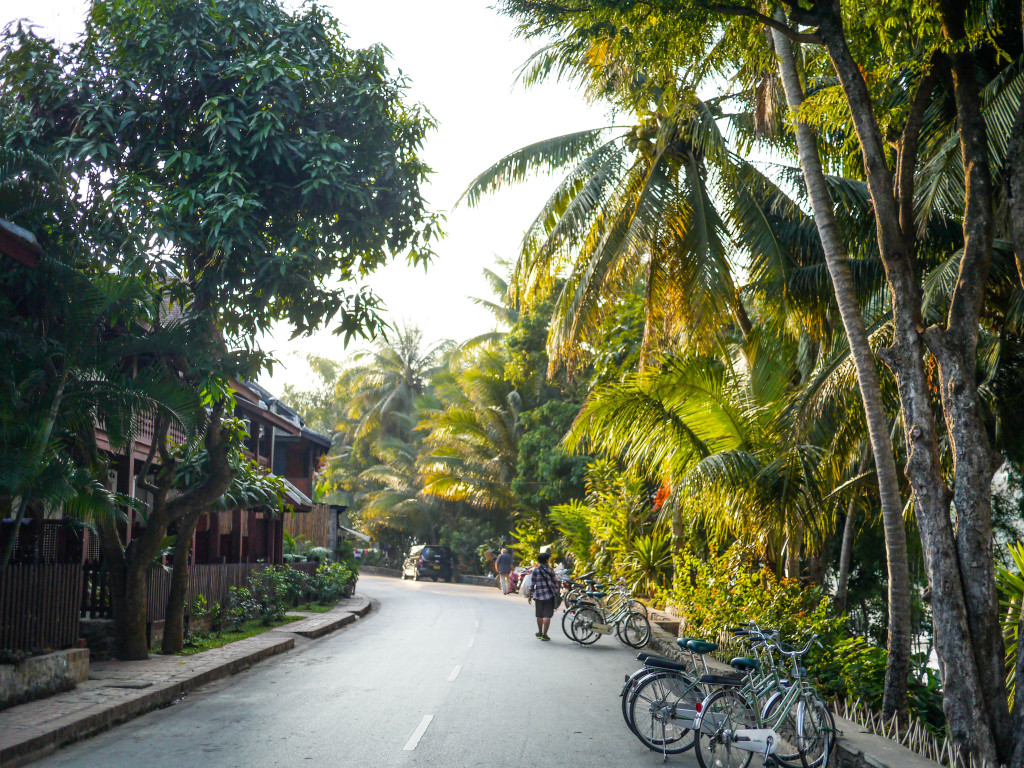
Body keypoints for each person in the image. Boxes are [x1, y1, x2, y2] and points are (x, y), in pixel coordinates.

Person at [527, 551, 557, 640]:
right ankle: (544, 635)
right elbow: (555, 582)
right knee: (547, 615)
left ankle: (540, 632)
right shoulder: (551, 570)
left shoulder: (535, 570)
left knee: (539, 615)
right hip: (549, 596)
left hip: (538, 595)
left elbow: (532, 583)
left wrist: (530, 595)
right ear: (547, 560)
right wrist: (556, 592)